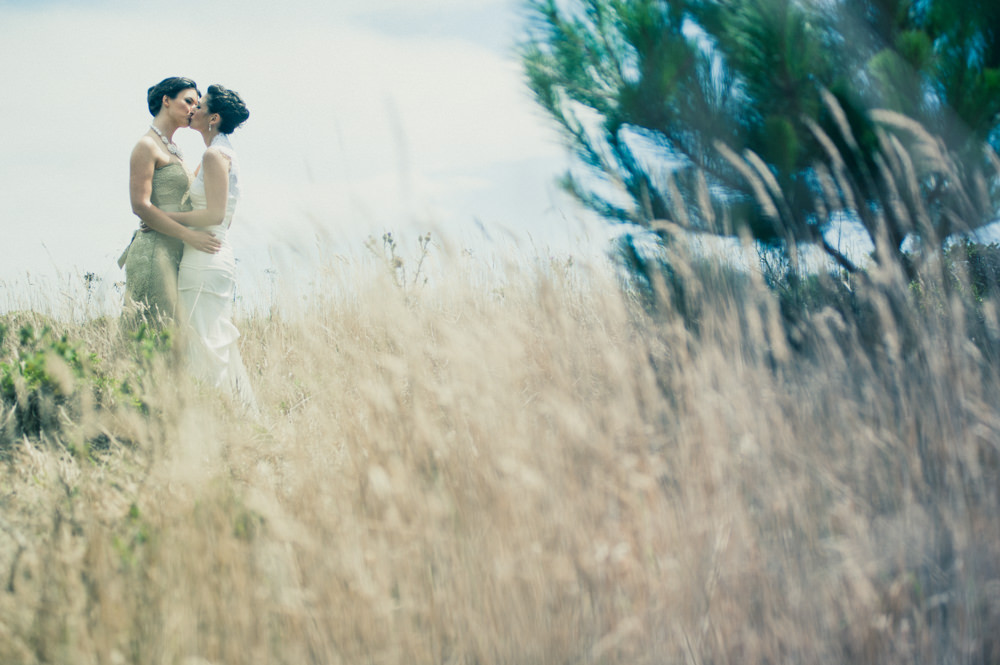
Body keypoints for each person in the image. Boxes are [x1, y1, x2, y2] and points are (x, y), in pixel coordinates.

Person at [160, 84, 255, 407]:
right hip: (214, 250)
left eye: (199, 107)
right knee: (210, 339)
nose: (192, 110)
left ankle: (211, 416)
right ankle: (230, 415)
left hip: (205, 257)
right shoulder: (221, 153)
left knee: (203, 342)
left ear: (212, 118)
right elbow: (224, 218)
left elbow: (215, 213)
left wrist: (162, 216)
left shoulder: (215, 155)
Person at [122, 76, 221, 324]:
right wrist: (190, 236)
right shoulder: (147, 145)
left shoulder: (174, 150)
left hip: (178, 252)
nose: (193, 109)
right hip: (155, 251)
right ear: (166, 100)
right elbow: (140, 206)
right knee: (152, 334)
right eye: (188, 101)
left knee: (176, 338)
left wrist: (218, 147)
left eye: (197, 104)